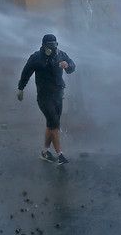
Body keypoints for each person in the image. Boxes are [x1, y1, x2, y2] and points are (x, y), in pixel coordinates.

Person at [17, 34, 76, 164]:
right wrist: (21, 88)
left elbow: (72, 67)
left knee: (52, 124)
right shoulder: (36, 58)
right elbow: (26, 72)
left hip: (58, 94)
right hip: (44, 96)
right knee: (54, 123)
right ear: (44, 46)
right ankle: (60, 154)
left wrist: (68, 65)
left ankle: (44, 152)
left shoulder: (61, 55)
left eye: (55, 45)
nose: (53, 49)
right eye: (50, 46)